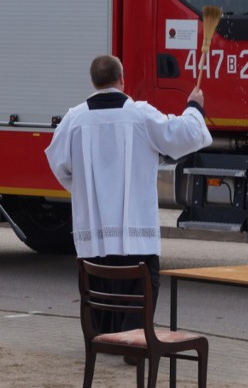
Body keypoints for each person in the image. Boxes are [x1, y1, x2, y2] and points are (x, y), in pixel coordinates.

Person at [45, 54, 212, 339]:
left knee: (97, 287)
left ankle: (100, 340)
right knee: (142, 286)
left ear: (93, 82)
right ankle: (133, 343)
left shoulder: (74, 120)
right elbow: (184, 134)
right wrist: (194, 106)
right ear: (122, 80)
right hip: (135, 234)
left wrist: (83, 191)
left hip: (94, 233)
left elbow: (58, 163)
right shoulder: (140, 115)